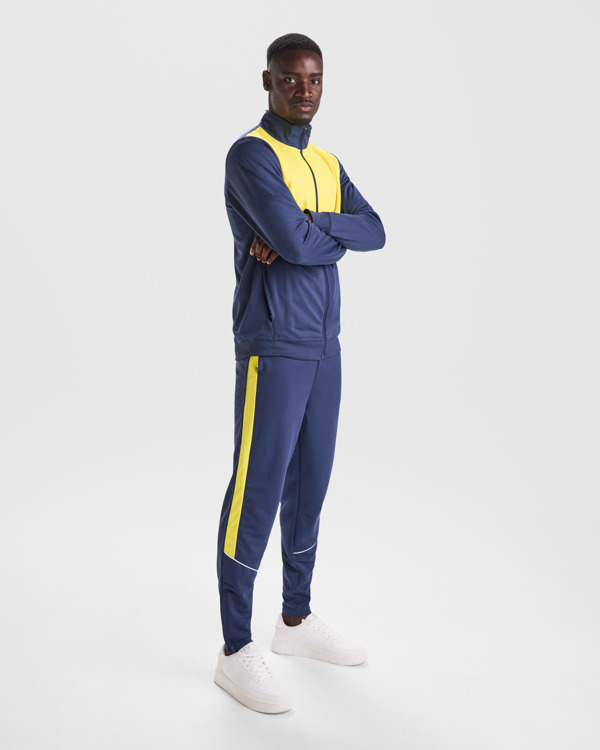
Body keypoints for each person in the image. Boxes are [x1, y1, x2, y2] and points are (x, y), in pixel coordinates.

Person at [214, 32, 386, 713]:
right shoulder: (251, 155)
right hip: (273, 342)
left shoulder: (326, 162)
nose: (304, 90)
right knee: (256, 489)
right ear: (268, 81)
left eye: (313, 79)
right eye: (290, 78)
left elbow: (375, 230)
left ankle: (295, 619)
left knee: (310, 484)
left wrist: (313, 223)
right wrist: (309, 235)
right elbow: (292, 242)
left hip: (324, 345)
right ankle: (235, 649)